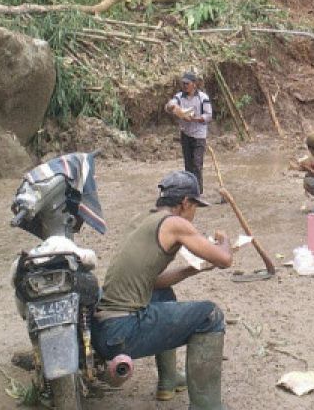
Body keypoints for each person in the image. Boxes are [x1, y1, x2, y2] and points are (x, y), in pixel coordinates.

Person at [91, 171, 232, 408]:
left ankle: (168, 380)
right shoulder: (175, 223)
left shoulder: (143, 220)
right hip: (121, 331)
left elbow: (153, 282)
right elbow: (225, 259)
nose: (194, 213)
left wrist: (192, 270)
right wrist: (224, 240)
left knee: (162, 295)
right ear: (186, 202)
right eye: (195, 206)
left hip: (103, 327)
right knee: (210, 315)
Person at [166, 72, 213, 192]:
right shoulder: (179, 96)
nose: (185, 85)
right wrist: (175, 108)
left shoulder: (203, 98)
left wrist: (194, 119)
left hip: (199, 135)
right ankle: (190, 190)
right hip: (185, 134)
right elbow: (170, 105)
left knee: (197, 165)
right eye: (183, 83)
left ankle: (198, 191)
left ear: (194, 84)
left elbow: (208, 116)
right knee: (188, 165)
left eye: (187, 83)